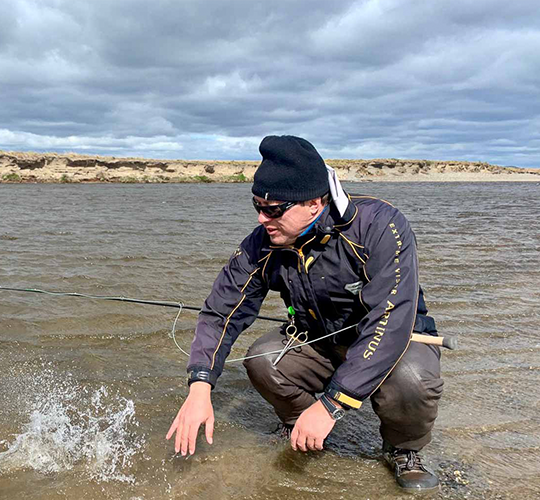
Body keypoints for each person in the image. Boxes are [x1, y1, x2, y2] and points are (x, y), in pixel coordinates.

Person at [166, 135, 444, 492]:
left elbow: (389, 320)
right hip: (317, 339)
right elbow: (221, 311)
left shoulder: (380, 225)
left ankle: (402, 449)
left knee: (412, 381)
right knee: (263, 359)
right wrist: (200, 385)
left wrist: (331, 404)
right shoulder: (263, 241)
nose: (262, 218)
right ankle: (300, 425)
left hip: (395, 338)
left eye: (273, 209)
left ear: (314, 203)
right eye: (256, 205)